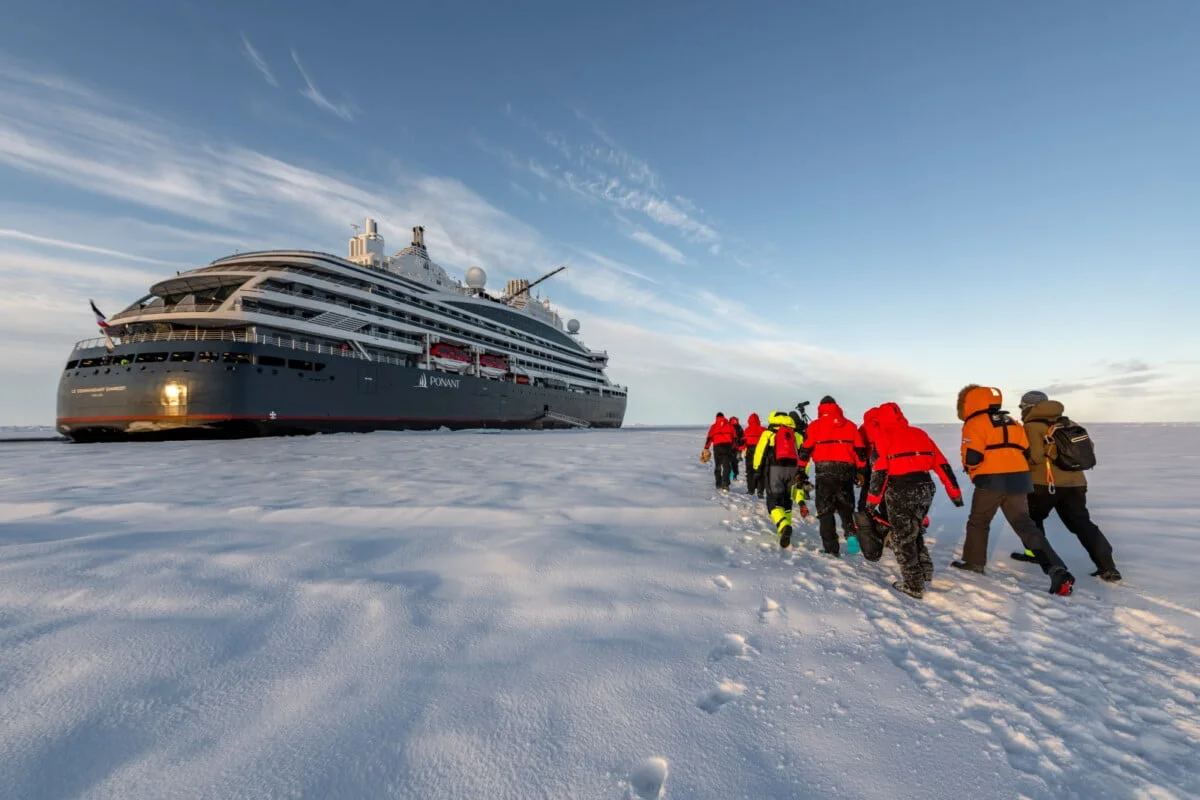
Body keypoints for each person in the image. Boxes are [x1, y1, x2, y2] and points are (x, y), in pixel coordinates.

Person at [953, 385, 1075, 596]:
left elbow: (973, 458)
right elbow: (1026, 451)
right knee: (1025, 525)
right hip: (1019, 479)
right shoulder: (1011, 421)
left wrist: (972, 469)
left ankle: (974, 562)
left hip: (990, 480)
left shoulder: (975, 423)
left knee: (979, 522)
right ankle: (1057, 569)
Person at [1017, 391, 1121, 582]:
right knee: (1082, 523)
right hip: (1077, 483)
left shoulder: (1032, 426)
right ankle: (1107, 566)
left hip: (1045, 483)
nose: (1020, 411)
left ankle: (1038, 556)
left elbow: (1036, 457)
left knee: (1031, 520)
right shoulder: (1069, 422)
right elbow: (1089, 448)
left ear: (1029, 407)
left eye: (1021, 407)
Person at [865, 402, 964, 599]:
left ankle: (913, 584)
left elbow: (880, 471)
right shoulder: (919, 433)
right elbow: (941, 462)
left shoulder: (883, 437)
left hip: (900, 488)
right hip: (925, 487)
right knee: (914, 528)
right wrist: (954, 492)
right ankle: (925, 568)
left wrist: (872, 502)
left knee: (902, 536)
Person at [796, 396, 866, 556]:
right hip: (846, 471)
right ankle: (851, 535)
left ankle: (831, 549)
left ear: (820, 408)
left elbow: (805, 450)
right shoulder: (850, 426)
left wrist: (801, 469)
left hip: (824, 471)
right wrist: (861, 471)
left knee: (825, 511)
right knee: (845, 506)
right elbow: (860, 451)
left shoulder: (814, 427)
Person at [752, 411, 807, 548]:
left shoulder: (769, 433)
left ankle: (783, 525)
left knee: (773, 501)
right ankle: (783, 529)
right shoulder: (797, 435)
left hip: (775, 469)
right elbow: (804, 457)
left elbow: (759, 452)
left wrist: (757, 469)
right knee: (787, 500)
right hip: (793, 470)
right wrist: (802, 473)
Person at [703, 412, 736, 491]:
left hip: (717, 448)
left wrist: (706, 448)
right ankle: (725, 485)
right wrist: (733, 447)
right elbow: (734, 438)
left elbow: (709, 438)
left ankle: (718, 483)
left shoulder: (714, 427)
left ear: (716, 418)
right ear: (723, 417)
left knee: (718, 466)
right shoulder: (730, 426)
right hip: (727, 447)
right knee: (726, 467)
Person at [742, 413, 766, 497]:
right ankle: (760, 491)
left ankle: (751, 490)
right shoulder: (763, 430)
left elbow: (743, 442)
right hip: (761, 451)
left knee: (750, 471)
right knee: (761, 471)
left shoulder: (747, 430)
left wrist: (740, 450)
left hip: (750, 452)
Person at [729, 416, 745, 482]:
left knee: (729, 462)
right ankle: (734, 476)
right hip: (737, 448)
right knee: (735, 462)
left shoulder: (728, 427)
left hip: (729, 447)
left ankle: (730, 476)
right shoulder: (739, 427)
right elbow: (743, 437)